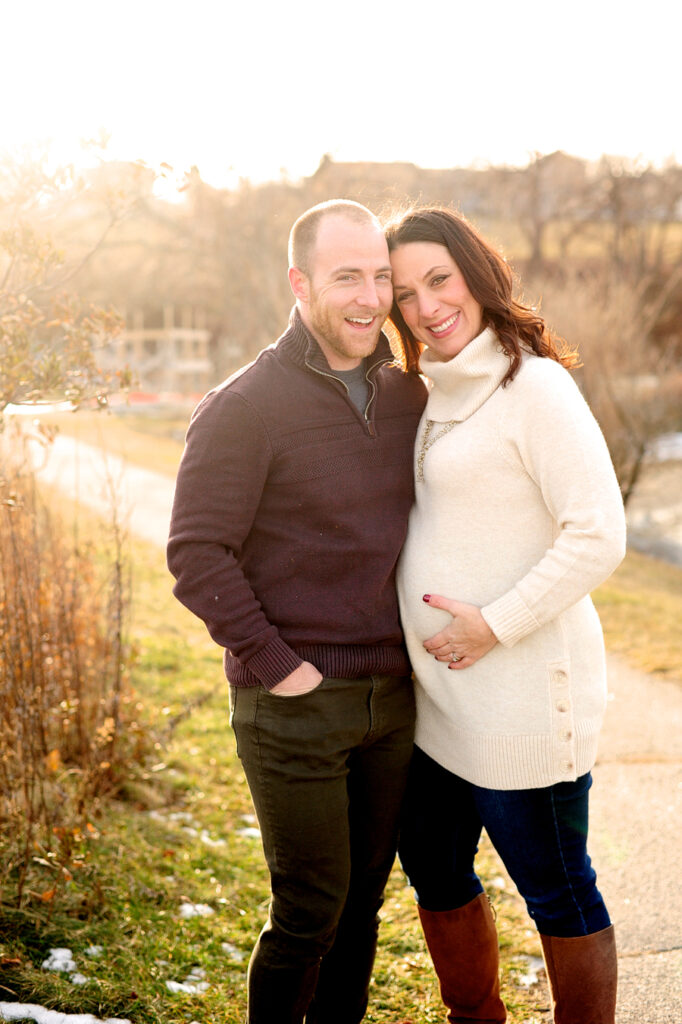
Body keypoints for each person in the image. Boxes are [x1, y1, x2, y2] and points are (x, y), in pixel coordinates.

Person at [167, 199, 426, 1024]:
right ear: (300, 282)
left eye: (381, 276)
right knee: (308, 917)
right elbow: (196, 552)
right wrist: (281, 668)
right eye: (347, 275)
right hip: (294, 705)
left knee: (359, 918)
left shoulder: (404, 398)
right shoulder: (245, 406)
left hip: (392, 703)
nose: (370, 296)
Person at [384, 205, 626, 1024]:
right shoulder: (429, 392)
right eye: (407, 292)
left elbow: (599, 535)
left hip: (522, 700)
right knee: (437, 875)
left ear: (477, 276)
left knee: (556, 892)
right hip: (436, 708)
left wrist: (493, 622)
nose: (426, 305)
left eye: (440, 280)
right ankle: (474, 1016)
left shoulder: (536, 388)